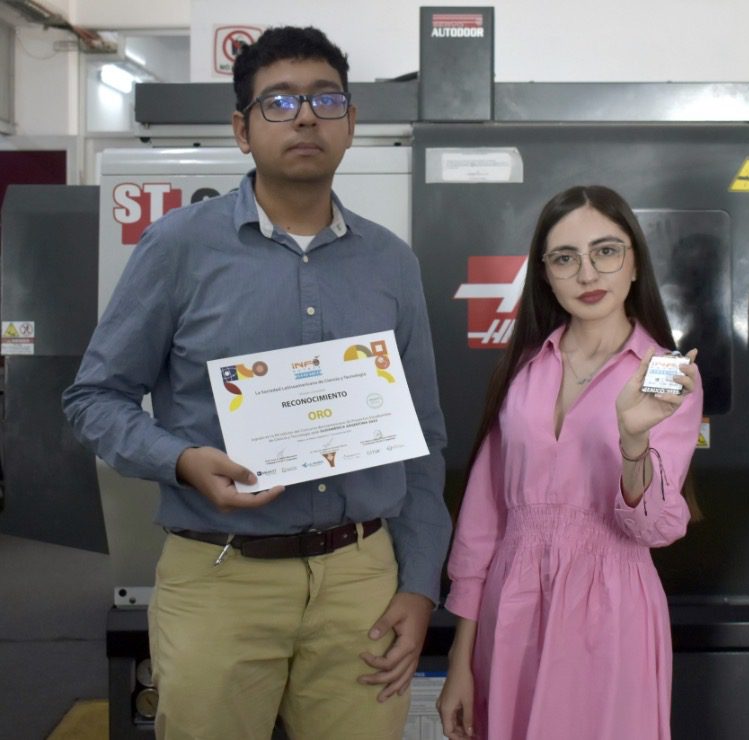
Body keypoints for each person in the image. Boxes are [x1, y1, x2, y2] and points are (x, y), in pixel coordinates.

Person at [62, 26, 449, 740]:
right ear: (242, 130)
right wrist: (181, 461)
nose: (305, 117)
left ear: (350, 121)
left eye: (325, 99)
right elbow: (93, 399)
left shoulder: (391, 263)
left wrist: (420, 584)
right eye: (279, 101)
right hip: (221, 575)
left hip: (361, 578)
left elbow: (422, 436)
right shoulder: (179, 246)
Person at [435, 185, 703, 739]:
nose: (587, 273)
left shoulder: (664, 376)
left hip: (612, 609)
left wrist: (633, 440)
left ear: (635, 263)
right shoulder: (523, 370)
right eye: (565, 258)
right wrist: (461, 656)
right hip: (511, 607)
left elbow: (652, 527)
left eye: (606, 251)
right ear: (545, 275)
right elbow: (482, 522)